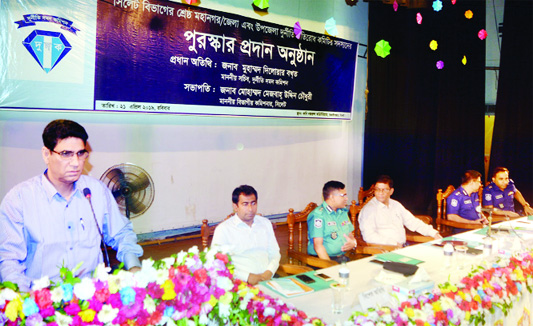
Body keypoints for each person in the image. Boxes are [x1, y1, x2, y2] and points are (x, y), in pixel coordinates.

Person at [0, 119, 143, 292]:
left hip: (92, 297)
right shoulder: (20, 199)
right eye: (66, 154)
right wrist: (24, 300)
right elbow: (9, 260)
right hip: (41, 301)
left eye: (81, 153)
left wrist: (135, 268)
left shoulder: (95, 191)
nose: (76, 163)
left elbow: (121, 234)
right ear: (46, 154)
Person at [212, 185, 280, 285]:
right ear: (235, 207)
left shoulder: (265, 223)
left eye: (253, 203)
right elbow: (218, 264)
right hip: (239, 284)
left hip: (267, 280)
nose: (250, 209)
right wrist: (247, 277)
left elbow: (274, 253)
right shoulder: (224, 230)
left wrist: (269, 272)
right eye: (245, 204)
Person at [359, 175, 442, 246]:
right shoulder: (369, 209)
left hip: (402, 246)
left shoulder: (396, 205)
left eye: (384, 189)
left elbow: (412, 222)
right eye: (377, 189)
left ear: (391, 191)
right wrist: (393, 243)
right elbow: (369, 236)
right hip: (384, 249)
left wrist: (433, 233)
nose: (380, 193)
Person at [307, 181, 356, 263]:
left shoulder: (342, 212)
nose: (346, 198)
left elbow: (350, 235)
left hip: (342, 258)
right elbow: (318, 246)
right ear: (332, 197)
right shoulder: (318, 215)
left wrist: (353, 243)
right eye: (343, 195)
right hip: (322, 260)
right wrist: (330, 267)